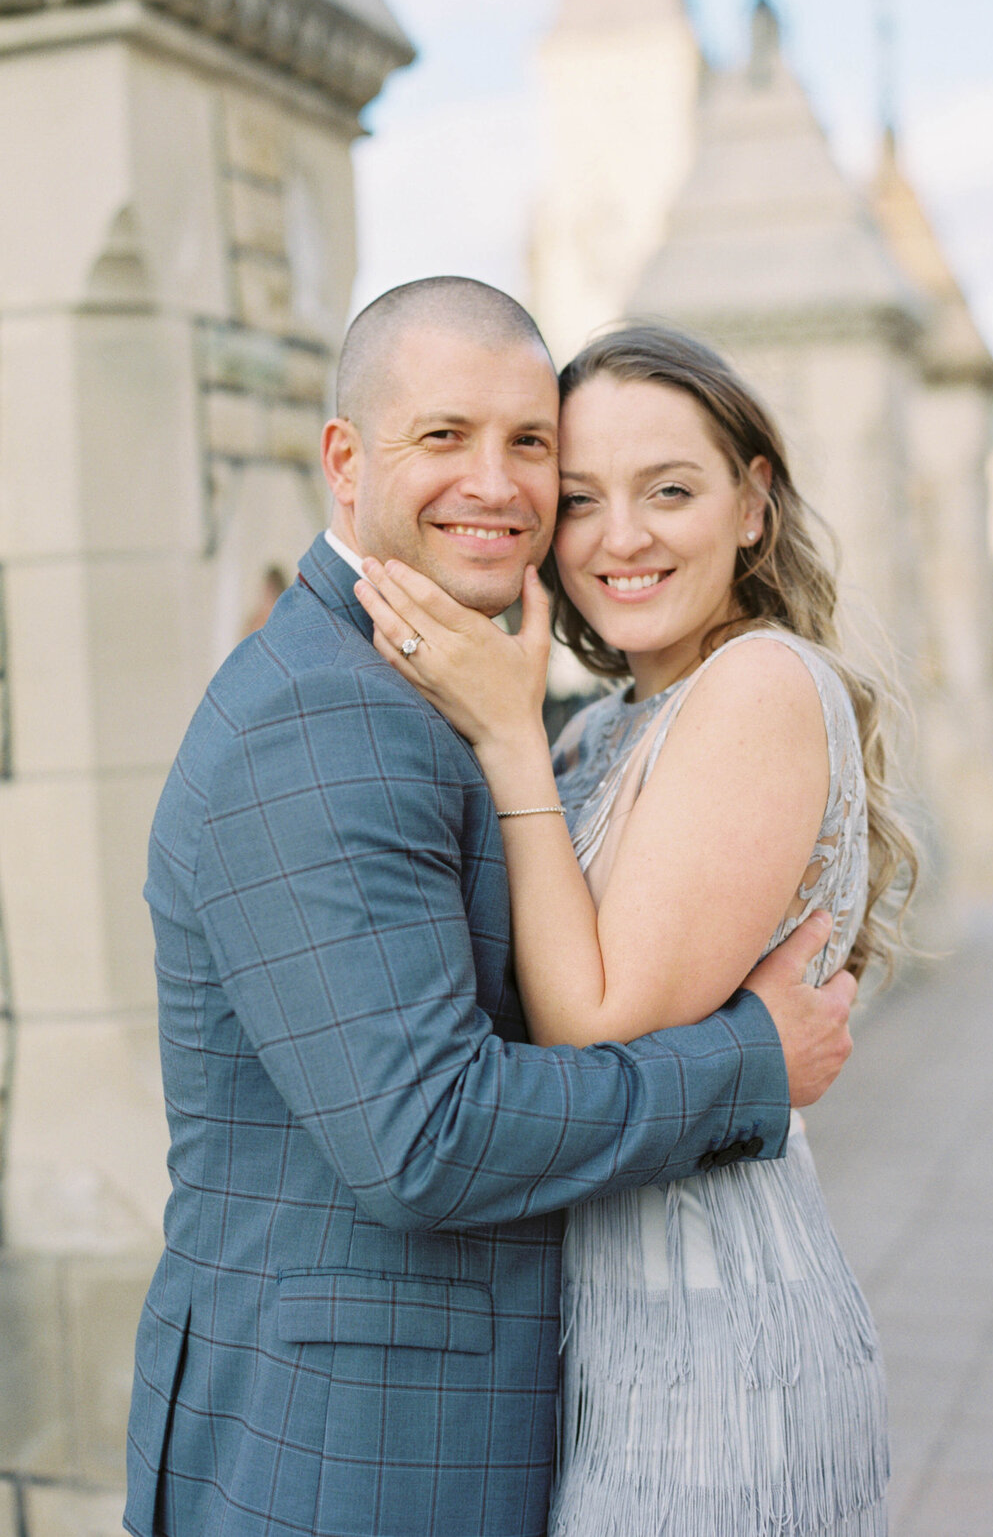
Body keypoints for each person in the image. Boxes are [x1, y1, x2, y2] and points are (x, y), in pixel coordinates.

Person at [124, 280, 859, 1537]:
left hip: (601, 1377)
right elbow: (428, 1132)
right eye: (445, 436)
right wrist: (750, 1064)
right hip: (351, 1444)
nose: (502, 485)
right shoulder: (330, 713)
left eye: (531, 445)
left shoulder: (446, 691)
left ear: (755, 501)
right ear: (346, 463)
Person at [357, 321, 917, 1536]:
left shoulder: (759, 686)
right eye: (580, 499)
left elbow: (594, 1020)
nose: (621, 536)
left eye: (670, 489)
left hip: (718, 1354)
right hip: (605, 1344)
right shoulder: (599, 730)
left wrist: (501, 730)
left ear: (752, 504)